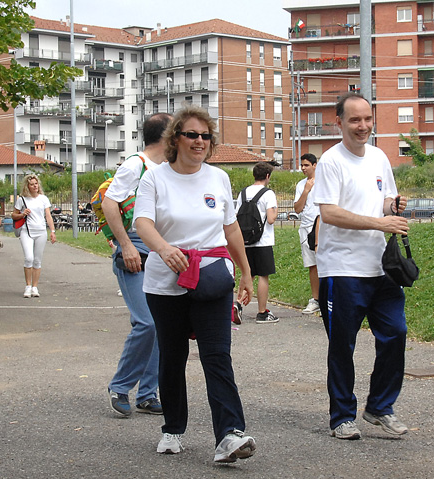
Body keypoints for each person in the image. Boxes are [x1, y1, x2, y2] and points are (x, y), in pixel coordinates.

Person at [134, 105, 256, 463]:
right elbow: (143, 223)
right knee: (173, 356)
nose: (199, 141)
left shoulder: (219, 178)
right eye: (191, 134)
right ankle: (172, 428)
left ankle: (230, 435)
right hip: (165, 282)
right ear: (176, 139)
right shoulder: (155, 179)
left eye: (205, 136)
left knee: (217, 356)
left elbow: (230, 228)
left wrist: (245, 271)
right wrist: (163, 249)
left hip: (212, 278)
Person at [312, 93, 410, 440]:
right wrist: (379, 223)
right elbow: (329, 213)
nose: (363, 126)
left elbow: (383, 201)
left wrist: (392, 206)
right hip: (342, 269)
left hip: (380, 267)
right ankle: (341, 416)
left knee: (396, 333)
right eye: (355, 120)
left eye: (367, 119)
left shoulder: (379, 157)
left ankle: (380, 406)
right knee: (343, 346)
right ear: (339, 122)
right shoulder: (330, 161)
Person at [104, 112, 171, 417]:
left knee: (162, 324)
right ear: (166, 136)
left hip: (159, 249)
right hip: (135, 248)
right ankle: (120, 386)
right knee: (147, 322)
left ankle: (147, 393)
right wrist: (126, 245)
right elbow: (109, 202)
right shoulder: (136, 164)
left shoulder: (167, 169)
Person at [237, 162, 279, 323]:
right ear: (267, 176)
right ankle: (262, 312)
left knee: (248, 274)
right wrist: (275, 210)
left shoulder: (243, 193)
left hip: (246, 240)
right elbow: (271, 219)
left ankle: (238, 304)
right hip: (263, 241)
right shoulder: (268, 193)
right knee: (263, 275)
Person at [12, 174, 57, 298]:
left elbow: (48, 215)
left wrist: (52, 231)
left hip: (41, 231)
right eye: (32, 184)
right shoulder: (22, 199)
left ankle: (35, 287)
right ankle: (28, 285)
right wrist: (22, 214)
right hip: (27, 231)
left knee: (37, 260)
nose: (34, 186)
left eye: (36, 184)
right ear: (27, 186)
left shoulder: (43, 199)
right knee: (29, 258)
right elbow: (13, 215)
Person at [293, 153, 320, 314]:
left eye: (306, 165)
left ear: (314, 165)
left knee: (325, 263)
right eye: (302, 165)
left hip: (322, 227)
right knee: (312, 265)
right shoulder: (301, 185)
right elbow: (297, 209)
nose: (303, 168)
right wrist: (306, 191)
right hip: (306, 227)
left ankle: (328, 299)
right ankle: (315, 299)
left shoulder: (324, 181)